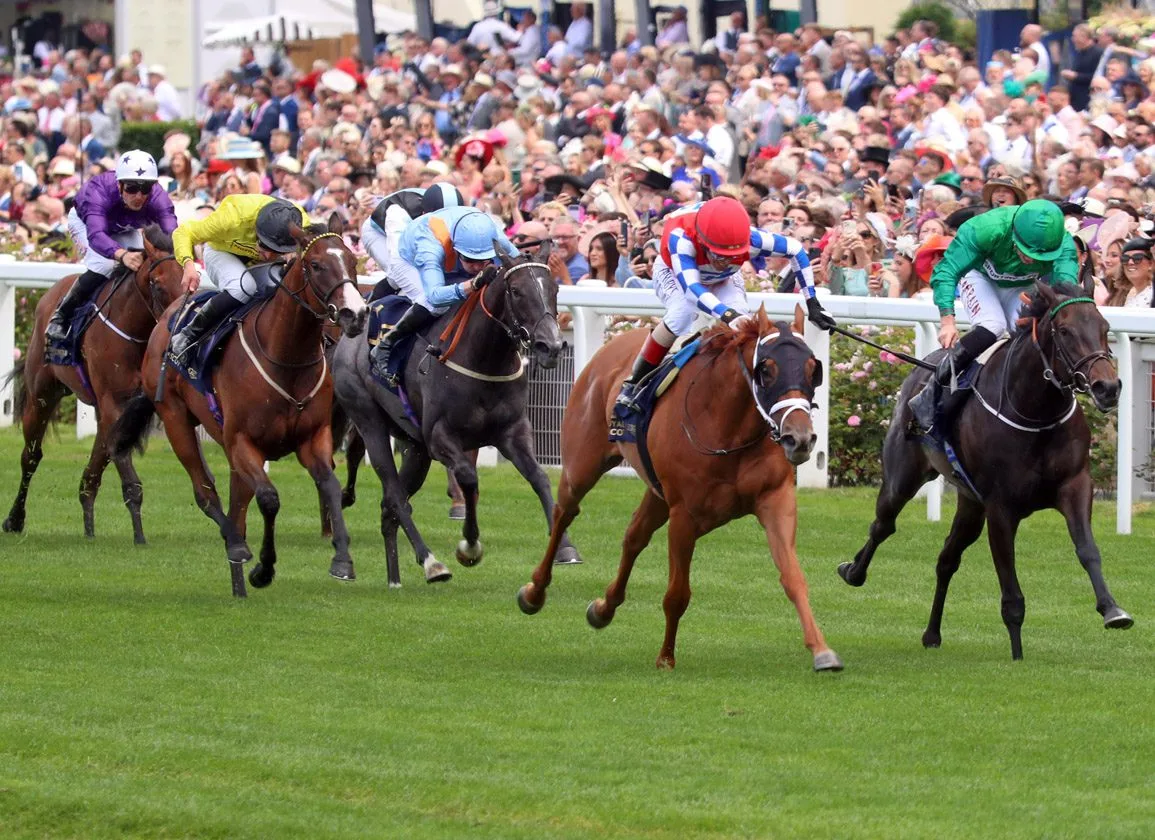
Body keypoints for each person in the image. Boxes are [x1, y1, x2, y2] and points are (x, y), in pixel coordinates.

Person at [614, 196, 835, 413]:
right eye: (721, 255)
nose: (726, 261)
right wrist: (726, 314)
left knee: (742, 322)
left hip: (724, 278)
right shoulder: (681, 238)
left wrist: (812, 302)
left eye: (733, 255)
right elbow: (692, 290)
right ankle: (635, 383)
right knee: (682, 313)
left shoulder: (753, 238)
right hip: (673, 270)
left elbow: (796, 250)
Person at [908, 200, 1079, 431]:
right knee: (993, 325)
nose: (1032, 260)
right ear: (1014, 233)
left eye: (1041, 255)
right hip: (979, 277)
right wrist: (947, 321)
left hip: (1021, 286)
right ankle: (931, 392)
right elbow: (946, 271)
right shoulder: (986, 229)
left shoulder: (1064, 245)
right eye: (1027, 251)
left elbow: (1065, 292)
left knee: (1032, 336)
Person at [370, 207, 519, 383]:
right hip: (406, 258)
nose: (478, 267)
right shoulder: (429, 248)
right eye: (470, 260)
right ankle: (385, 346)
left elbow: (519, 264)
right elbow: (435, 297)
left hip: (444, 240)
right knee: (434, 306)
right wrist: (473, 284)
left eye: (483, 260)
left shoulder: (492, 234)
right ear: (457, 249)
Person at [46, 149, 178, 342]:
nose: (139, 196)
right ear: (119, 184)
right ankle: (61, 317)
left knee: (144, 265)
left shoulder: (158, 198)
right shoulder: (98, 192)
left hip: (124, 227)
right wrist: (122, 254)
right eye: (131, 188)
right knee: (105, 264)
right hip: (87, 225)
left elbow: (172, 233)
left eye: (145, 189)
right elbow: (97, 235)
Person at [168, 196, 309, 361]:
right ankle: (187, 335)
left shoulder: (302, 223)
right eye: (265, 245)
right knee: (243, 287)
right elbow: (184, 232)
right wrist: (188, 264)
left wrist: (298, 253)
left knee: (287, 288)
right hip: (221, 251)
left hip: (257, 263)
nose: (269, 255)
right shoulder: (233, 216)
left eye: (277, 249)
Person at [360, 183, 464, 300]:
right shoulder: (398, 214)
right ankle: (370, 305)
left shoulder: (460, 214)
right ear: (423, 213)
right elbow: (399, 260)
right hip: (377, 233)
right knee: (398, 276)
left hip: (414, 227)